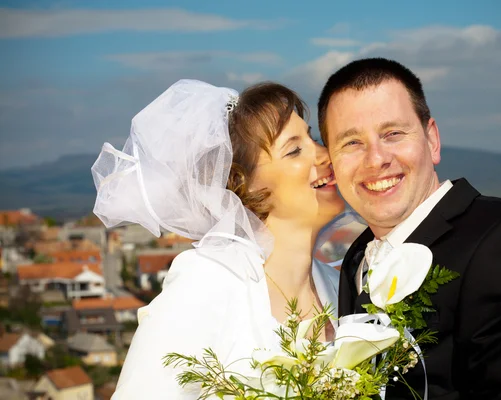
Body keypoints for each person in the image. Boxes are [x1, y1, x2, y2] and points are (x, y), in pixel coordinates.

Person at [318, 58, 501, 399]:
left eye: (393, 134)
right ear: (332, 162)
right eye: (351, 143)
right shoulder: (356, 258)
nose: (376, 159)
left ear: (432, 140)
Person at [91, 79, 346, 399]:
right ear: (244, 183)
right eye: (294, 150)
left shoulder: (339, 287)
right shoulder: (207, 282)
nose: (325, 154)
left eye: (313, 139)